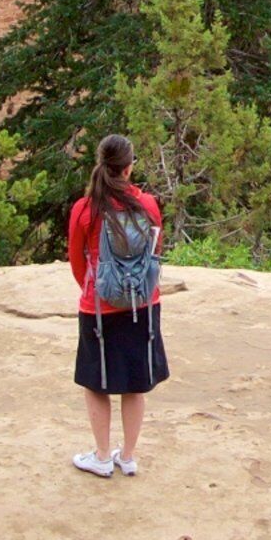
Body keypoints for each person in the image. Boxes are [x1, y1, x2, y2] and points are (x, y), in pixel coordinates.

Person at [65, 133, 168, 478]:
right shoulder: (148, 205)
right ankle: (128, 456)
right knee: (135, 383)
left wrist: (94, 291)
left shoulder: (85, 209)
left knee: (97, 382)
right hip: (143, 305)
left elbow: (76, 261)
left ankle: (102, 455)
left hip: (99, 308)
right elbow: (155, 251)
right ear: (128, 168)